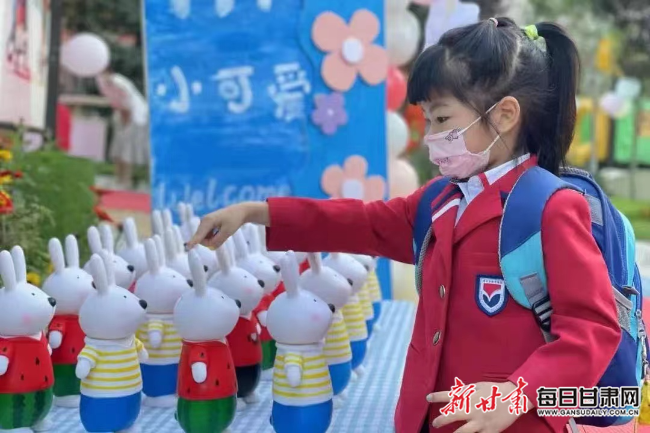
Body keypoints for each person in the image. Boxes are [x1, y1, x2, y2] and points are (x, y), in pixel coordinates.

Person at [186, 17, 621, 433]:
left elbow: (592, 330)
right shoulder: (441, 199)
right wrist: (258, 213)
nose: (430, 134)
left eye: (443, 119)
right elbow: (361, 223)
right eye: (427, 119)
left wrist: (512, 395)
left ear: (505, 115)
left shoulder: (549, 208)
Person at [96, 67, 149, 189]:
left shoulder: (119, 83)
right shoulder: (102, 82)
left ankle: (126, 180)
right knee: (117, 149)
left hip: (135, 117)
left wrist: (125, 122)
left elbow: (128, 105)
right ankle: (118, 178)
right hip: (121, 114)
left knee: (127, 150)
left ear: (109, 72)